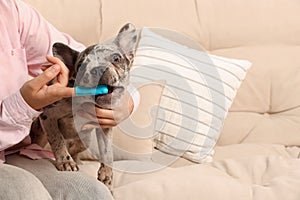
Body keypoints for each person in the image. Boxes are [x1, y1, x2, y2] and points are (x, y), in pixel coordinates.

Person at [0, 0, 138, 199]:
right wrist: (23, 105)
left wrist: (127, 98)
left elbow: (87, 56)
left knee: (91, 193)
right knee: (26, 193)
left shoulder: (12, 12)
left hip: (19, 151)